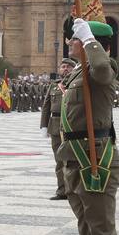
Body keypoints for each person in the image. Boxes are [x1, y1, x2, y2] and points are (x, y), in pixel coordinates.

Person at [55, 18, 119, 235]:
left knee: (102, 234)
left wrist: (90, 40)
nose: (71, 41)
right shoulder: (80, 72)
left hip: (97, 160)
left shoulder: (102, 70)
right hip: (75, 159)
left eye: (75, 38)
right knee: (88, 234)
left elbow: (104, 70)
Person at [41, 58, 74, 201]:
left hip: (72, 126)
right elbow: (46, 106)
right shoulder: (54, 86)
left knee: (73, 160)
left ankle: (74, 190)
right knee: (59, 160)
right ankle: (62, 191)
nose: (65, 69)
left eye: (68, 67)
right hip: (55, 126)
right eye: (63, 67)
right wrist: (43, 126)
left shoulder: (76, 84)